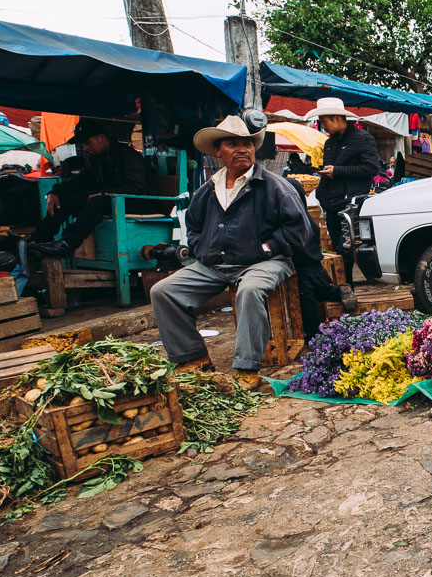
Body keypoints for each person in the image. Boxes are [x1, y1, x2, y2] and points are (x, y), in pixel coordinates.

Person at [149, 116, 311, 391]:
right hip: (217, 264)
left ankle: (247, 368)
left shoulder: (274, 186)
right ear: (218, 151)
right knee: (163, 291)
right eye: (232, 144)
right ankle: (193, 359)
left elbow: (299, 232)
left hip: (265, 262)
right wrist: (203, 250)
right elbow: (195, 229)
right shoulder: (207, 190)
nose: (242, 149)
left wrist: (264, 248)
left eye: (247, 144)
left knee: (249, 291)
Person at [28, 119, 161, 257]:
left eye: (88, 143)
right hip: (112, 200)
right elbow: (79, 181)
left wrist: (103, 194)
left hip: (140, 203)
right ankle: (38, 239)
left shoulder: (129, 157)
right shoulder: (97, 159)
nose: (85, 148)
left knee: (97, 202)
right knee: (66, 199)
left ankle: (68, 243)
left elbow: (136, 187)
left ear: (101, 138)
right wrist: (55, 193)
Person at [307, 97, 380, 301]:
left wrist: (337, 171)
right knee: (339, 251)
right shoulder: (329, 143)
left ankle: (349, 291)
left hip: (351, 205)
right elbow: (331, 171)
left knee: (346, 249)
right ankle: (344, 291)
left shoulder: (363, 138)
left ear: (338, 118)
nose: (323, 126)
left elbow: (371, 168)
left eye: (324, 121)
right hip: (331, 203)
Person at [281, 176, 356, 340]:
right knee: (323, 291)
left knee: (307, 299)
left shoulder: (293, 220)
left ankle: (312, 334)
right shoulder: (304, 216)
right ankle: (339, 291)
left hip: (304, 266)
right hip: (315, 264)